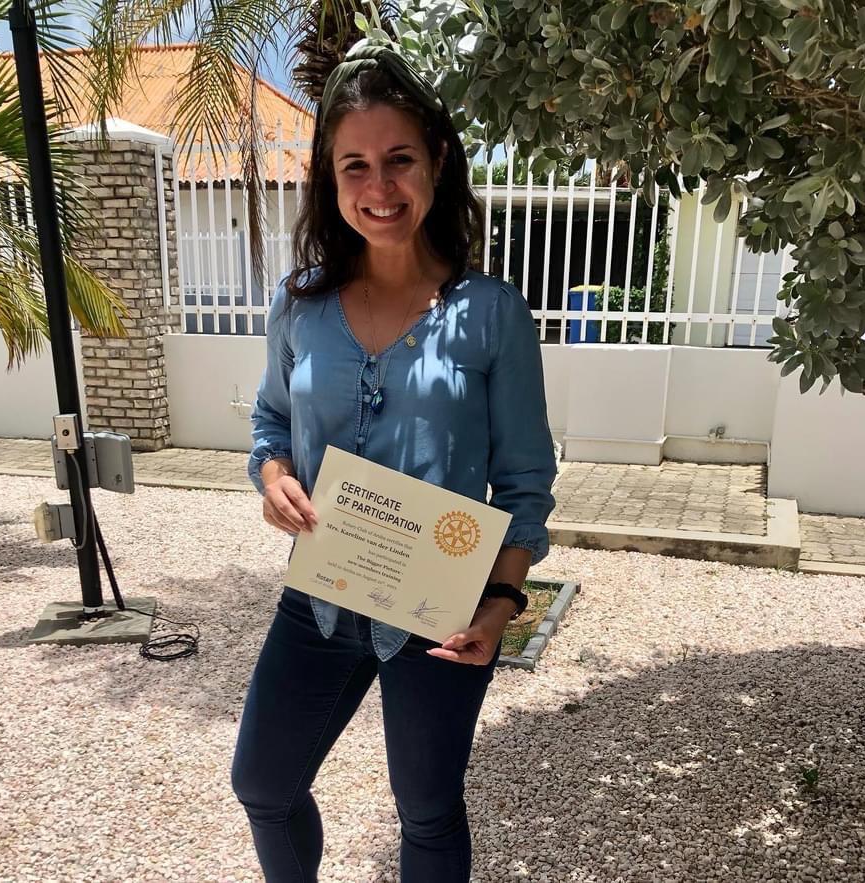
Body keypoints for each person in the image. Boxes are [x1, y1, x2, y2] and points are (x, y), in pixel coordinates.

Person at [230, 40, 557, 883]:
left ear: (437, 160)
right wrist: (274, 479)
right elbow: (271, 423)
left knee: (428, 810)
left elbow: (525, 484)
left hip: (441, 612)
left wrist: (501, 603)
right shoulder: (299, 304)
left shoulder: (491, 315)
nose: (379, 187)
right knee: (263, 784)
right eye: (356, 166)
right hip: (320, 599)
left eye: (399, 159)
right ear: (330, 178)